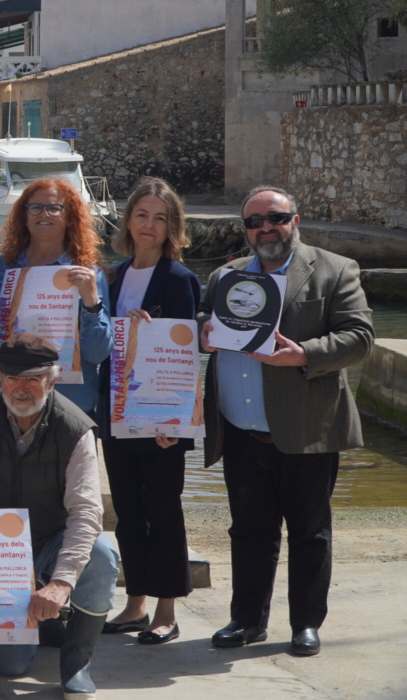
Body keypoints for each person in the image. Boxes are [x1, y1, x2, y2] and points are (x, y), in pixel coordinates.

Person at [201, 185, 373, 658]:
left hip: (307, 428)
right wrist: (202, 333)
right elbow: (206, 324)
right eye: (254, 221)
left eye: (274, 217)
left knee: (309, 532)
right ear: (245, 229)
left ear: (295, 219)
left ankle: (305, 624)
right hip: (239, 429)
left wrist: (304, 355)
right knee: (249, 531)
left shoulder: (334, 270)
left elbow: (360, 337)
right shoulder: (225, 276)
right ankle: (247, 620)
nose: (264, 228)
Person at [0, 335, 117, 700]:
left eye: (33, 379)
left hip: (50, 540)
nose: (21, 388)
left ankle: (76, 662)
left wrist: (62, 583)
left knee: (101, 553)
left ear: (51, 381)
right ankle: (43, 622)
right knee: (9, 667)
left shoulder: (76, 429)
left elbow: (85, 513)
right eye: (12, 378)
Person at [97, 178, 201, 645]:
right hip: (118, 415)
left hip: (160, 419)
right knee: (129, 510)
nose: (149, 225)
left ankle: (166, 609)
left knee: (164, 510)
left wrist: (174, 423)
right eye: (142, 215)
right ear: (128, 220)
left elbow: (184, 355)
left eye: (160, 218)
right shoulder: (114, 275)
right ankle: (135, 602)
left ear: (171, 226)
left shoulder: (180, 280)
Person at [0, 177, 112, 413]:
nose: (43, 214)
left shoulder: (89, 274)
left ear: (69, 217)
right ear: (24, 215)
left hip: (70, 406)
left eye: (55, 208)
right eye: (35, 207)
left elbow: (97, 355)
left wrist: (91, 303)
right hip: (7, 403)